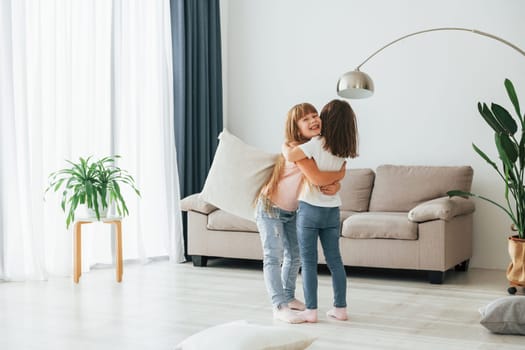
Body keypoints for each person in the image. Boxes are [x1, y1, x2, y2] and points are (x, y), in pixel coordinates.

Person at [255, 102, 346, 324]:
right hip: (270, 207)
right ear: (296, 128)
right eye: (306, 119)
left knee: (294, 256)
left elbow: (327, 171)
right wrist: (339, 175)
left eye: (315, 116)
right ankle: (279, 305)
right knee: (272, 256)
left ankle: (288, 295)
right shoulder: (296, 151)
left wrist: (338, 183)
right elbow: (317, 178)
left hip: (293, 211)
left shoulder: (316, 146)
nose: (313, 120)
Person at [285, 99, 359, 323]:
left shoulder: (316, 144)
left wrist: (286, 144)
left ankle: (311, 311)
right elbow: (339, 172)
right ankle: (341, 308)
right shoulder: (343, 149)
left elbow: (290, 156)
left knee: (308, 262)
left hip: (309, 209)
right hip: (332, 210)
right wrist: (337, 179)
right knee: (335, 261)